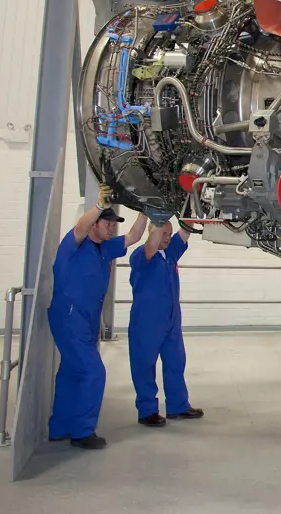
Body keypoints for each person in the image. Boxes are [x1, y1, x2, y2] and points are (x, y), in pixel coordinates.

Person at [48, 185, 147, 450]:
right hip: (70, 319)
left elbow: (135, 236)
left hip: (87, 321)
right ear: (95, 224)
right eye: (107, 223)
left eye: (114, 224)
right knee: (93, 372)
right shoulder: (73, 247)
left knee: (71, 372)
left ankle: (59, 427)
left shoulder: (105, 248)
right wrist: (100, 205)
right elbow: (81, 226)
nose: (112, 228)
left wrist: (147, 210)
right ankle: (82, 431)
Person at [128, 218, 203, 427]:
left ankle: (178, 405)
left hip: (171, 318)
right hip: (147, 320)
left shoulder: (169, 255)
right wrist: (157, 216)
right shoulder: (141, 256)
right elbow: (150, 246)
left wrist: (193, 207)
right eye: (164, 234)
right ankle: (147, 410)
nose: (168, 239)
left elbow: (185, 233)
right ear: (153, 233)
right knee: (144, 364)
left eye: (169, 235)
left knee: (176, 361)